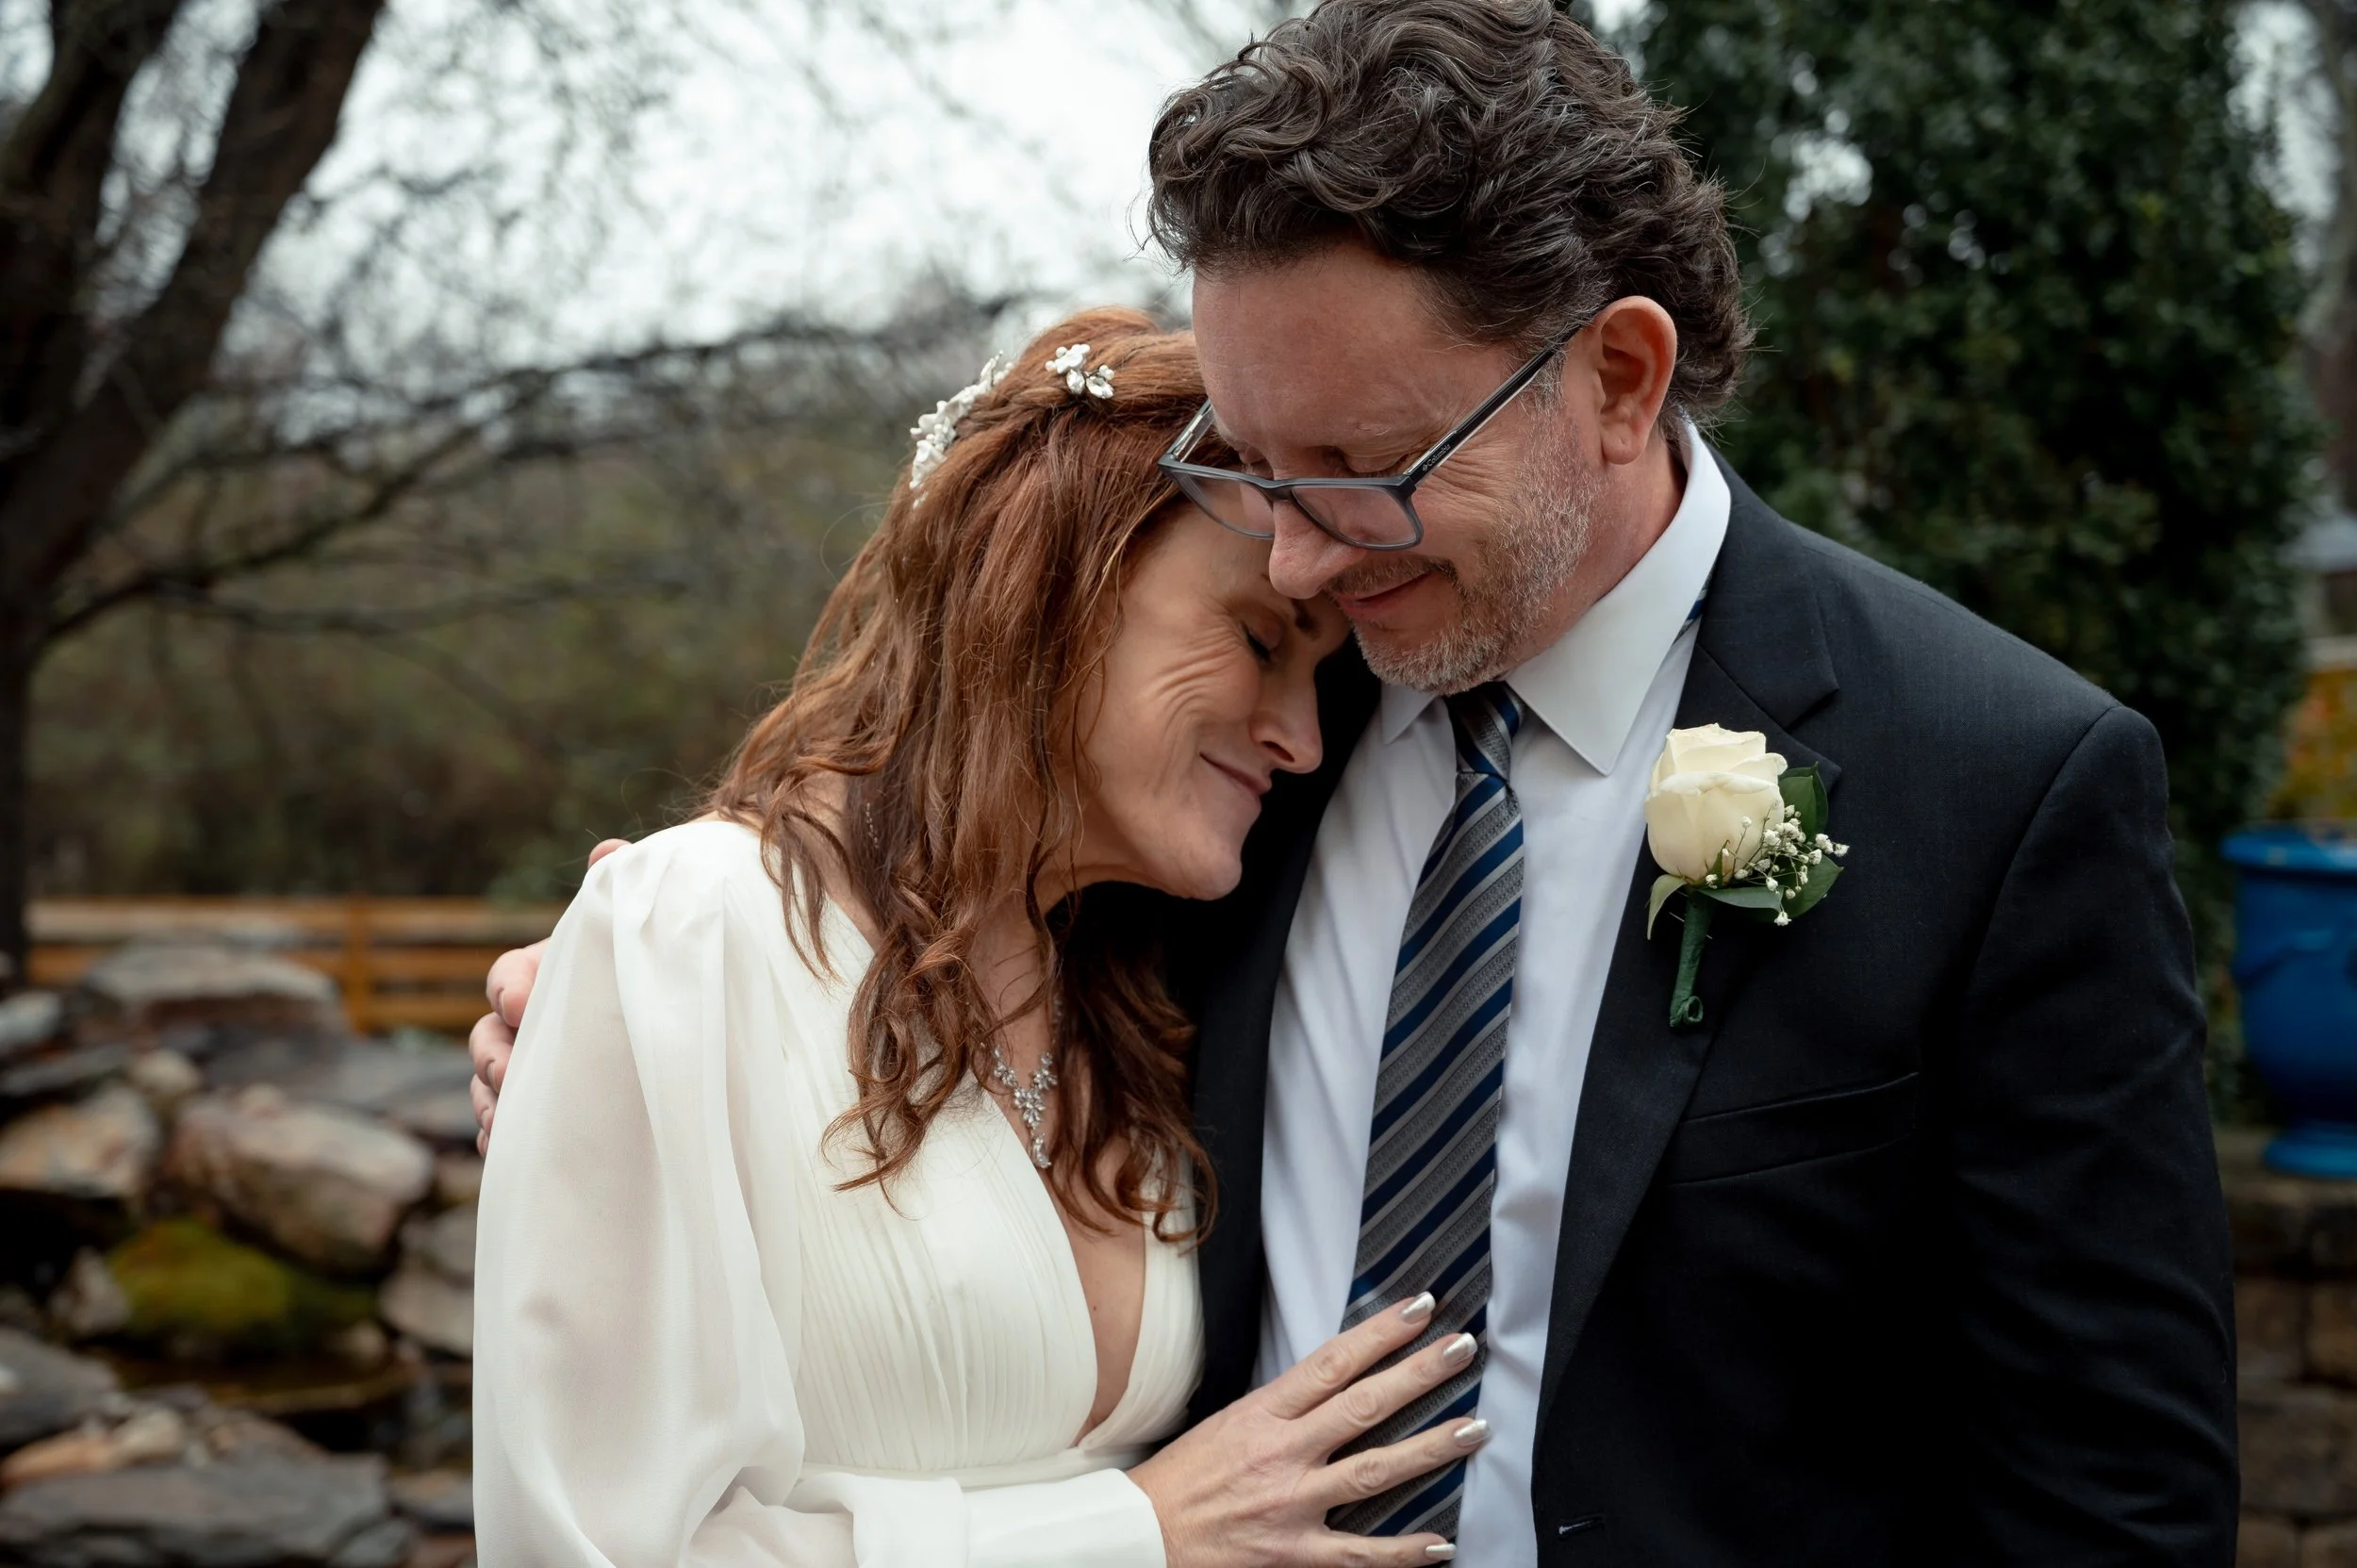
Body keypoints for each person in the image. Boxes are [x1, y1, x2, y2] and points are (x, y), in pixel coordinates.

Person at [475, 4, 2240, 1563]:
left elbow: (2110, 1502)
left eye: (1363, 470)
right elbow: (926, 931)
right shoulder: (1213, 800)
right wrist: (626, 1041)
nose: (1300, 564)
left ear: (1617, 380)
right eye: (1248, 465)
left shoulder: (2001, 786)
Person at [471, 309, 1497, 1568]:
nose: (1303, 736)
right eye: (1257, 641)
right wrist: (1138, 1533)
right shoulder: (688, 936)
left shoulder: (1143, 990)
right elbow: (589, 1544)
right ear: (1051, 576)